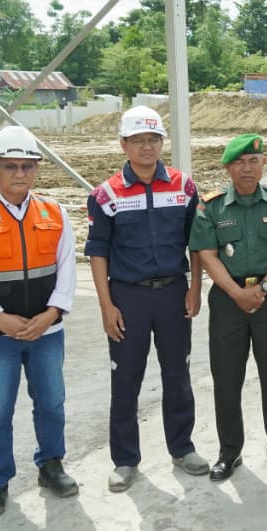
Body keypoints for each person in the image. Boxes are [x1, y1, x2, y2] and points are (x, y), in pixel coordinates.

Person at [0, 125, 78, 518]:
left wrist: (52, 314)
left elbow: (68, 268)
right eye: (10, 166)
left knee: (52, 403)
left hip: (46, 332)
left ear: (37, 169)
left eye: (27, 166)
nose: (19, 174)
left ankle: (51, 465)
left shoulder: (55, 213)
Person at [85, 105, 209, 492]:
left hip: (173, 294)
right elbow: (98, 252)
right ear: (123, 144)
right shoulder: (106, 194)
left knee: (178, 374)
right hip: (128, 298)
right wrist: (106, 306)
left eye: (153, 139)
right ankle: (125, 460)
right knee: (126, 380)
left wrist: (194, 288)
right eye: (138, 140)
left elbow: (198, 243)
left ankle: (182, 447)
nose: (147, 147)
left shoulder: (183, 187)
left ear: (161, 142)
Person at [189, 133, 267, 481]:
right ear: (227, 167)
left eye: (254, 161)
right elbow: (206, 254)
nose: (247, 168)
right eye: (239, 162)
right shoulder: (212, 206)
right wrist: (237, 294)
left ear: (264, 163)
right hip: (227, 300)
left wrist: (265, 287)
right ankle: (229, 451)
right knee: (226, 377)